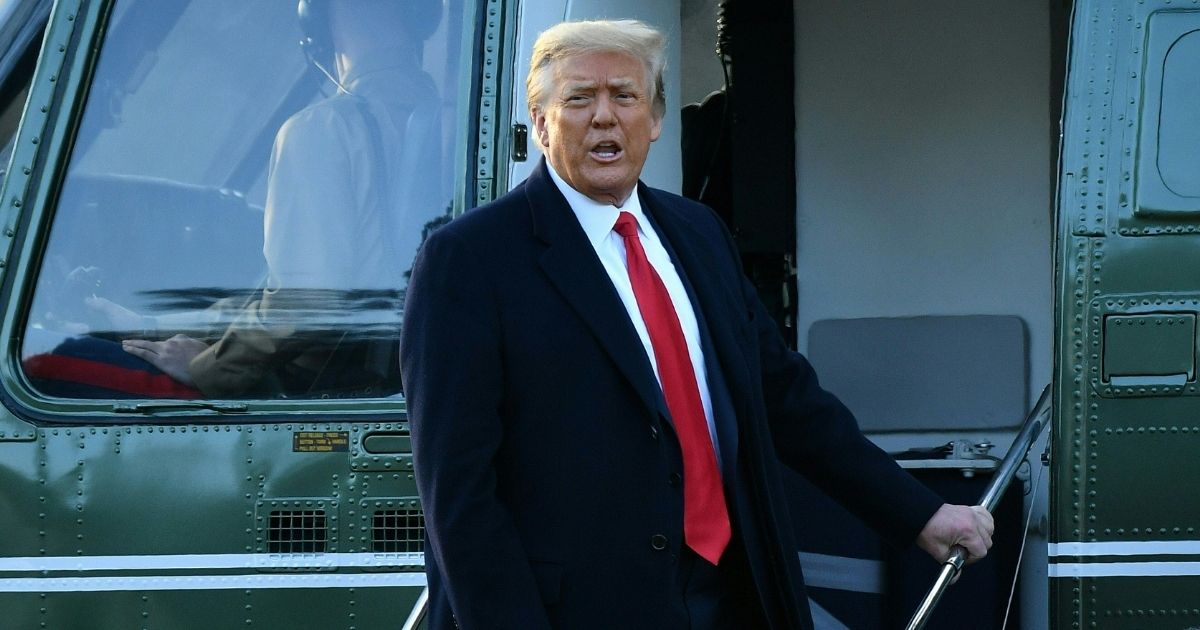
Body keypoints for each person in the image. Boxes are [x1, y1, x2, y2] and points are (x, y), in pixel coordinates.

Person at [400, 19, 993, 630]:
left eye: (624, 96)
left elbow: (785, 398)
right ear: (542, 121)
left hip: (729, 597)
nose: (604, 117)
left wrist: (919, 514)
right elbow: (459, 496)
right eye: (579, 98)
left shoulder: (698, 234)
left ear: (655, 121)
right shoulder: (467, 261)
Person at [114, 0, 444, 397]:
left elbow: (308, 305)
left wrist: (209, 368)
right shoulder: (446, 123)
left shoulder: (323, 130)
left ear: (321, 17)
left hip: (321, 387)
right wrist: (153, 326)